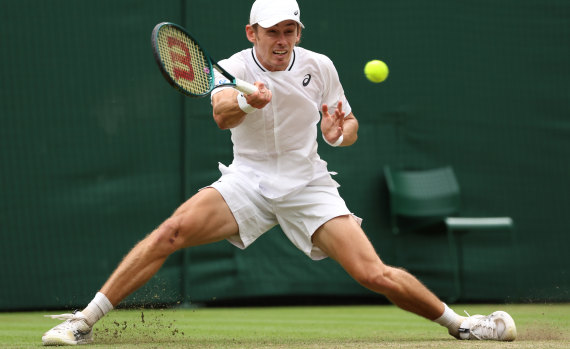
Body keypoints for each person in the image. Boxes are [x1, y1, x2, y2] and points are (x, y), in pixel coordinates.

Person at [42, 0, 516, 345]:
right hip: (247, 181)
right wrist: (248, 98)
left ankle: (465, 326)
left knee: (374, 274)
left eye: (289, 30)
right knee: (170, 232)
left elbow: (346, 126)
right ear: (252, 33)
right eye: (272, 31)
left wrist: (336, 131)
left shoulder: (319, 67)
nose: (281, 39)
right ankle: (82, 321)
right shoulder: (229, 68)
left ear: (298, 33)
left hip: (307, 183)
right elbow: (223, 114)